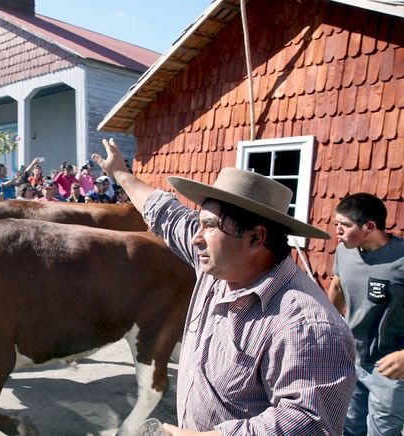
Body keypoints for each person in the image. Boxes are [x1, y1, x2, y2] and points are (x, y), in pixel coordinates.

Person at [91, 138, 356, 435]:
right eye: (200, 224)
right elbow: (165, 213)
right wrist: (120, 173)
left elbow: (310, 422)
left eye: (209, 225)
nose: (195, 237)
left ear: (256, 238)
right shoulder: (220, 264)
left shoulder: (306, 326)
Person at [327, 193, 404, 436]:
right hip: (352, 358)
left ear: (369, 226)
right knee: (349, 428)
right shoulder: (344, 252)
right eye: (336, 224)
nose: (338, 231)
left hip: (391, 367)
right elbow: (338, 286)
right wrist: (326, 326)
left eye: (345, 225)